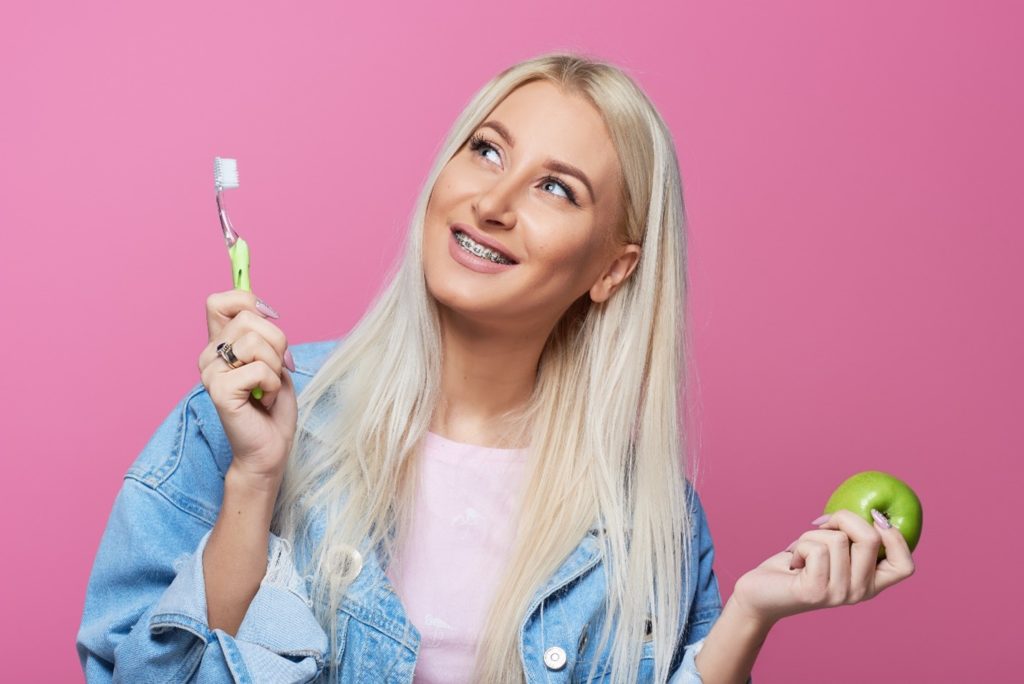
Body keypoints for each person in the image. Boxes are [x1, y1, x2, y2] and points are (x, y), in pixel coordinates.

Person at [76, 51, 916, 683]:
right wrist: (257, 480)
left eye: (557, 189)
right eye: (486, 151)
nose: (493, 203)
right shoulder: (241, 421)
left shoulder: (649, 523)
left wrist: (747, 620)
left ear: (612, 270)